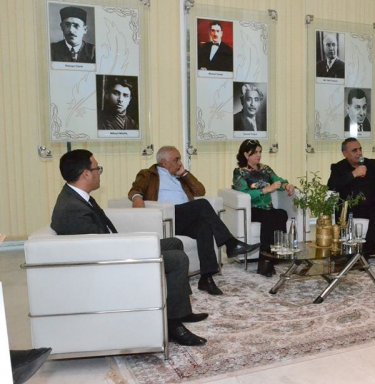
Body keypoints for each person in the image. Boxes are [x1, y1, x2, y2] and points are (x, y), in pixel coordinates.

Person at [51, 149, 208, 346]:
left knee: (174, 243)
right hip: (112, 262)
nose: (100, 172)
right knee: (177, 259)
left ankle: (181, 310)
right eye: (98, 168)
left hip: (113, 249)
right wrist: (134, 246)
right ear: (86, 174)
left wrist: (132, 241)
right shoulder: (73, 209)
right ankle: (173, 324)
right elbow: (99, 250)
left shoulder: (77, 197)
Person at [128, 146, 260, 295]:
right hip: (166, 218)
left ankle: (206, 278)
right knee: (202, 204)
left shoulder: (180, 177)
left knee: (204, 227)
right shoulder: (148, 174)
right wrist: (137, 199)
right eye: (176, 159)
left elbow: (200, 190)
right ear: (164, 163)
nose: (180, 162)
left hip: (184, 218)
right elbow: (135, 190)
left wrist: (184, 174)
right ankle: (230, 243)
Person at [232, 140, 295, 276]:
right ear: (246, 154)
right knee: (270, 217)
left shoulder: (266, 169)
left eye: (260, 152)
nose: (259, 155)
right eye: (255, 152)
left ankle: (272, 256)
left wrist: (287, 186)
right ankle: (265, 260)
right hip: (252, 208)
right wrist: (265, 190)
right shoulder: (239, 172)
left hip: (267, 208)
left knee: (281, 214)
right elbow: (244, 193)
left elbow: (278, 180)